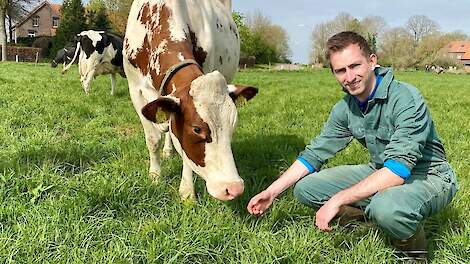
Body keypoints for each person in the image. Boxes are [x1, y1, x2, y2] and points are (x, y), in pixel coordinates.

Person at [247, 31, 458, 261]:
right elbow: (313, 155)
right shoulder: (346, 108)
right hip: (380, 170)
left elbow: (399, 170)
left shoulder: (405, 98)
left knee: (387, 207)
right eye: (340, 70)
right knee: (305, 188)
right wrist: (272, 192)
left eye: (355, 66)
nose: (349, 77)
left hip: (429, 175)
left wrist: (338, 199)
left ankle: (415, 255)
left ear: (372, 61)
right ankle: (371, 223)